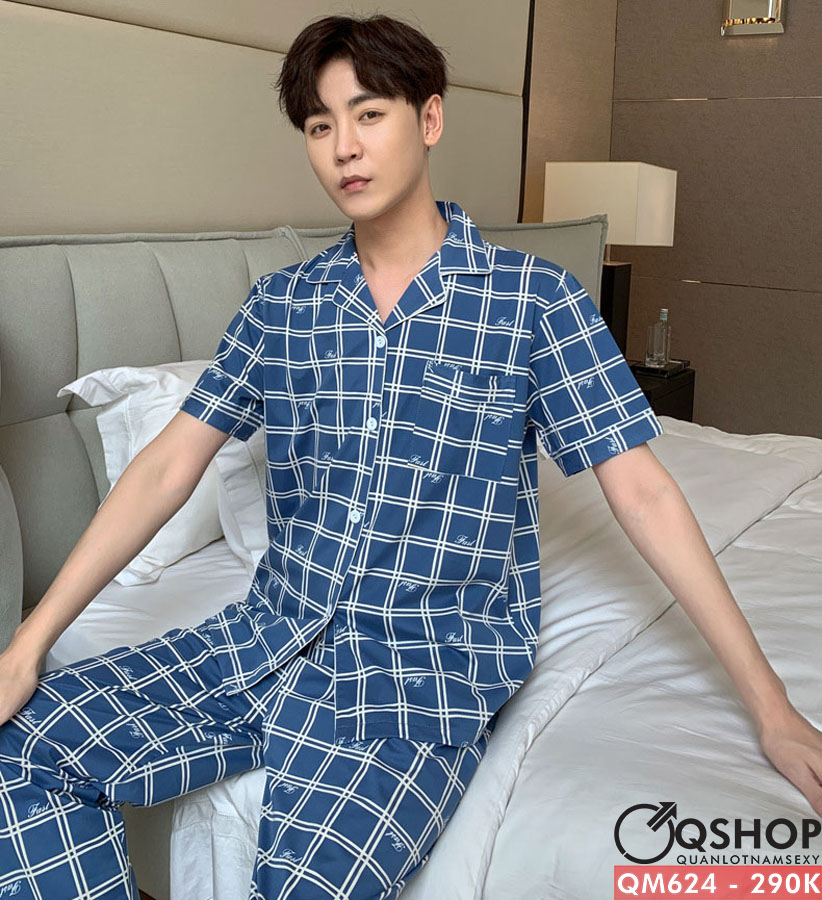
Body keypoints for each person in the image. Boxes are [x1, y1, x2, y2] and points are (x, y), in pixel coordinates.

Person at [2, 11, 821, 900]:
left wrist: (772, 708)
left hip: (417, 681)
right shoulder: (282, 305)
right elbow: (166, 468)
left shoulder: (533, 301)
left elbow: (646, 495)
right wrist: (28, 643)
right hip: (262, 637)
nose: (344, 148)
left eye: (369, 114)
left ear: (429, 119)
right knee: (22, 752)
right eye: (320, 126)